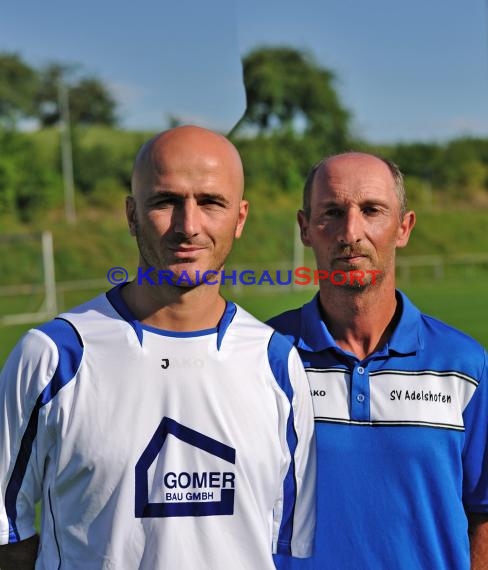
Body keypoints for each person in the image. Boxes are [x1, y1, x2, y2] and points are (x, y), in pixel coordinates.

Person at [0, 126, 316, 570]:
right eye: (165, 201)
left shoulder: (276, 364)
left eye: (210, 202)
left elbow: (285, 547)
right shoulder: (55, 357)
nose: (188, 227)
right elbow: (5, 533)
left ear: (240, 218)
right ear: (132, 215)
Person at [270, 152, 488, 570]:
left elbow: (484, 509)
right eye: (331, 212)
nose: (350, 232)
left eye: (371, 210)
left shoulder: (464, 364)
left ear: (403, 227)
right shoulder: (265, 357)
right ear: (305, 229)